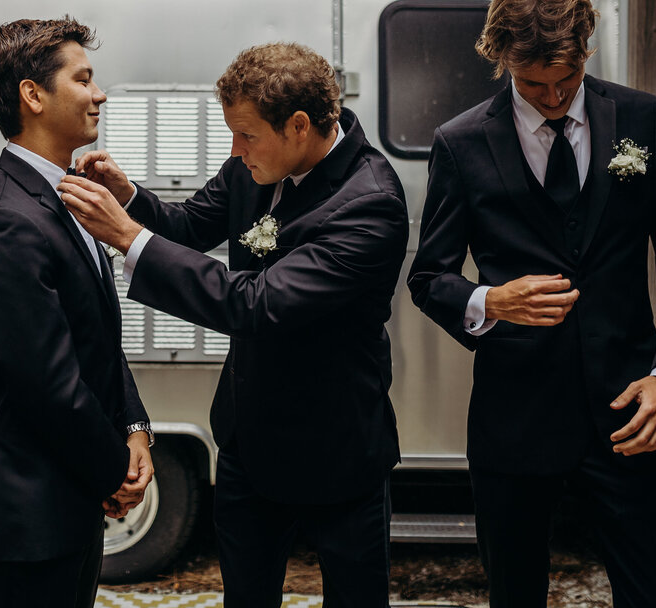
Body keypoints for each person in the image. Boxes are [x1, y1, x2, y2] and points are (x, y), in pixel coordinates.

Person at [407, 0, 656, 607]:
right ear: (502, 62)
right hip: (515, 420)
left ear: (587, 51)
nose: (553, 97)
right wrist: (488, 301)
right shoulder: (461, 142)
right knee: (515, 596)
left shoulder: (643, 118)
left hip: (628, 408)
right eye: (532, 83)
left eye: (567, 79)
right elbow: (428, 277)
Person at [59, 41, 408, 607]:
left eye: (245, 134)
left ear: (299, 126)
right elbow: (193, 224)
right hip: (248, 439)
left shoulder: (370, 203)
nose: (234, 147)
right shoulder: (258, 162)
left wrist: (126, 237)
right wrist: (132, 199)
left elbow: (256, 304)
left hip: (337, 447)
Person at [0, 17, 153, 608]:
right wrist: (113, 470)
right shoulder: (3, 217)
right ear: (33, 95)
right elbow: (46, 380)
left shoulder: (68, 194)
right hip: (31, 507)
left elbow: (95, 337)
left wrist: (135, 426)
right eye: (84, 79)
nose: (99, 94)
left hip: (70, 494)